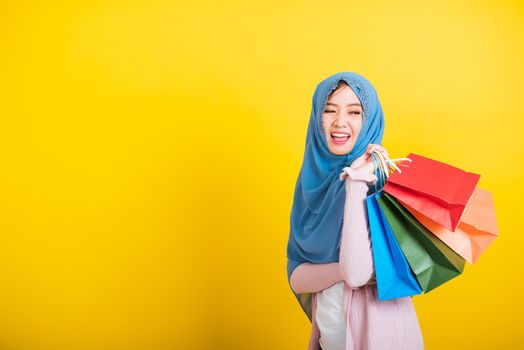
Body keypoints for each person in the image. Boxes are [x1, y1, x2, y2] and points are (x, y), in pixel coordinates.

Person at [286, 72, 424, 350]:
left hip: (381, 340)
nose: (339, 122)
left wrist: (357, 182)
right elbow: (297, 276)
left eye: (354, 112)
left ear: (369, 120)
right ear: (316, 118)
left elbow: (357, 273)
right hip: (328, 340)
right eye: (329, 110)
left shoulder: (382, 183)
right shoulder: (312, 181)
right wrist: (339, 271)